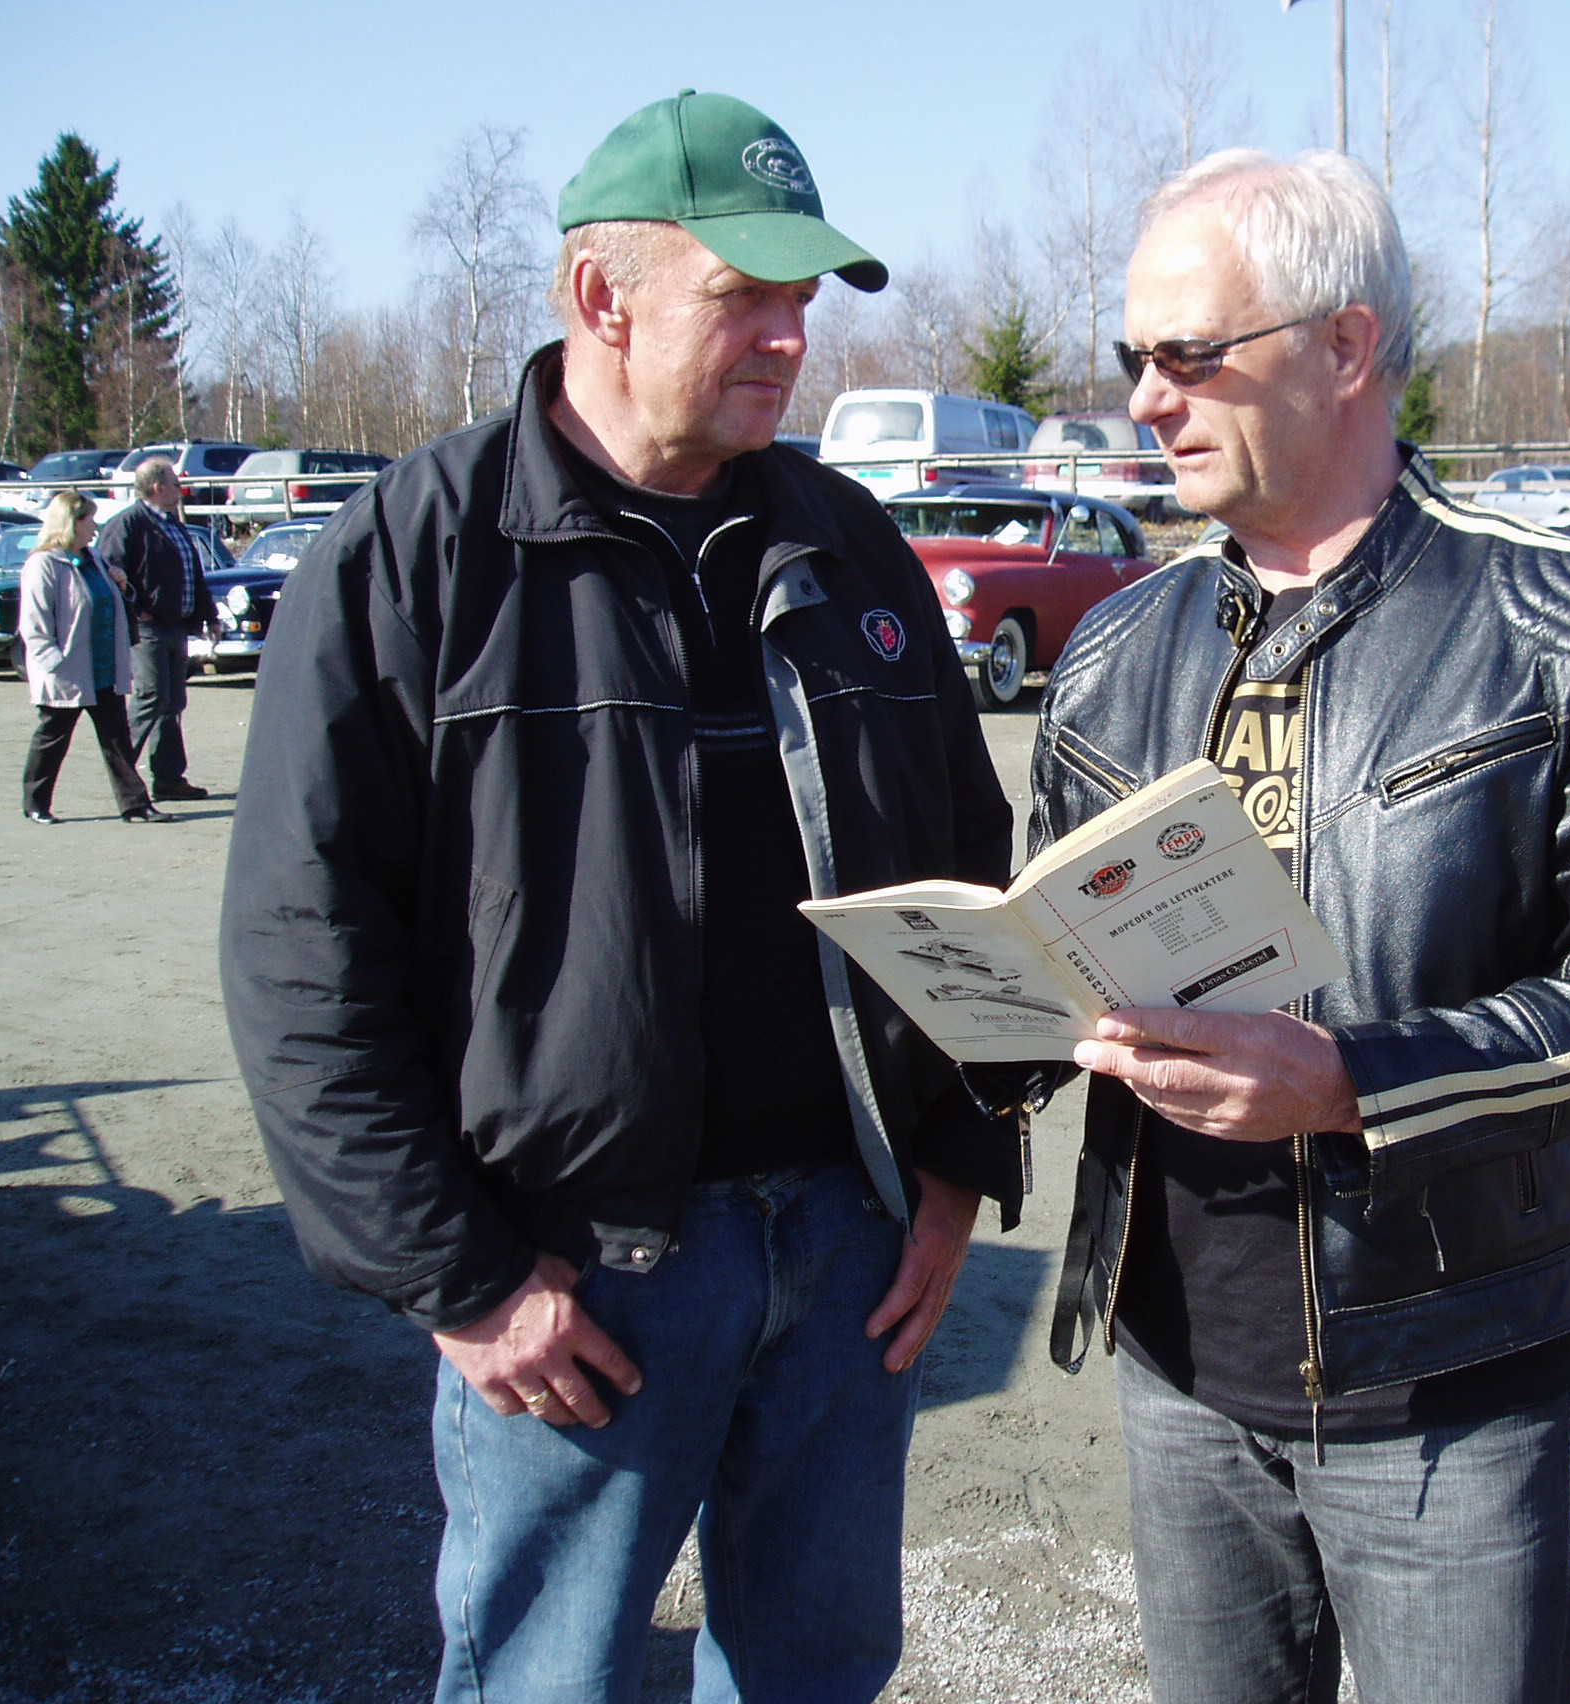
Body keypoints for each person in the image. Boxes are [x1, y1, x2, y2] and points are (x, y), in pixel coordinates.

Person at [220, 92, 1025, 1704]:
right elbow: (303, 960)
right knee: (546, 1681)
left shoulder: (853, 550)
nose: (793, 339)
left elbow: (968, 870)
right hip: (576, 1280)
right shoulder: (414, 560)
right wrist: (463, 1281)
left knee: (813, 1674)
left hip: (853, 1250)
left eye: (806, 301)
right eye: (748, 296)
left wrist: (953, 1162)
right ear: (603, 296)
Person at [1031, 149, 1570, 1704]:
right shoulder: (1111, 649)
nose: (1145, 400)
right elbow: (1049, 955)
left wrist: (1359, 1083)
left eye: (1188, 355)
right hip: (1176, 1365)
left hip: (1445, 1378)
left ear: (1345, 347)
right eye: (1133, 356)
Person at [17, 490, 170, 825]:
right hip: (66, 672)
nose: (95, 526)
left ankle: (136, 804)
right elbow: (34, 625)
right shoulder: (43, 564)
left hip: (104, 668)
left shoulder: (95, 559)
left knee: (117, 741)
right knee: (53, 738)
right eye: (90, 519)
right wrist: (53, 662)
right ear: (71, 522)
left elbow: (110, 604)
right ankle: (35, 802)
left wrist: (123, 586)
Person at [94, 456, 212, 801]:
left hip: (176, 625)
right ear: (158, 487)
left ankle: (169, 778)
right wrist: (137, 611)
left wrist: (208, 615)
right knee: (151, 696)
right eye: (176, 484)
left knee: (172, 703)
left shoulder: (174, 524)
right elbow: (109, 573)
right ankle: (122, 775)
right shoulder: (128, 525)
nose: (181, 489)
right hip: (147, 629)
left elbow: (193, 573)